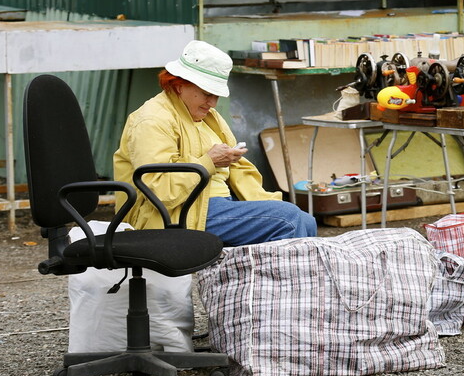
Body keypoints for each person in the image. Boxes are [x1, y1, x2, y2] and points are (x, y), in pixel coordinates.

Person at [113, 40, 317, 245]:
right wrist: (208, 161)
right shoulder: (153, 120)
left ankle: (276, 275)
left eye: (216, 96)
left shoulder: (208, 116)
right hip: (179, 212)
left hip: (215, 204)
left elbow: (239, 172)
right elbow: (158, 190)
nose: (212, 103)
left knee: (307, 221)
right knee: (288, 219)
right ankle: (281, 276)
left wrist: (266, 200)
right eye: (207, 94)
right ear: (179, 84)